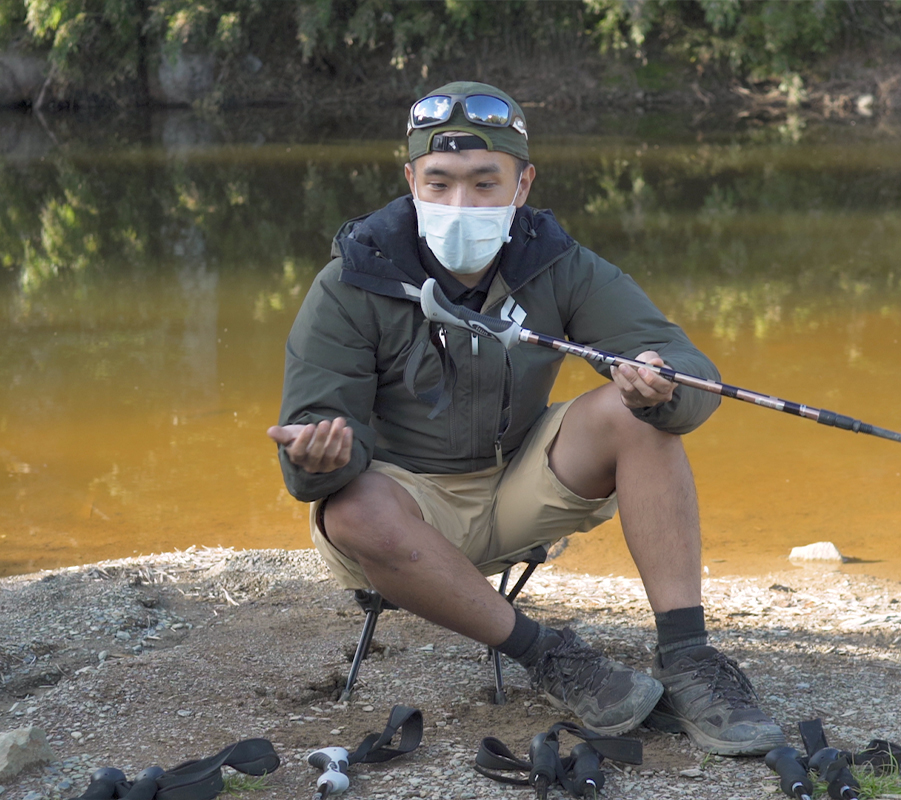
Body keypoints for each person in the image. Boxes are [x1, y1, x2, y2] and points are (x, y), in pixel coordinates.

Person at [268, 81, 785, 755]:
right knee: (350, 505)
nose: (461, 204)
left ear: (522, 182)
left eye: (486, 183)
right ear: (410, 181)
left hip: (521, 483)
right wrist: (317, 457)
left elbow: (691, 370)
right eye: (441, 182)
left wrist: (660, 382)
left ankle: (689, 657)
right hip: (407, 509)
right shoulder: (350, 282)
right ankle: (553, 657)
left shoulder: (557, 262)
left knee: (637, 417)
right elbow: (312, 429)